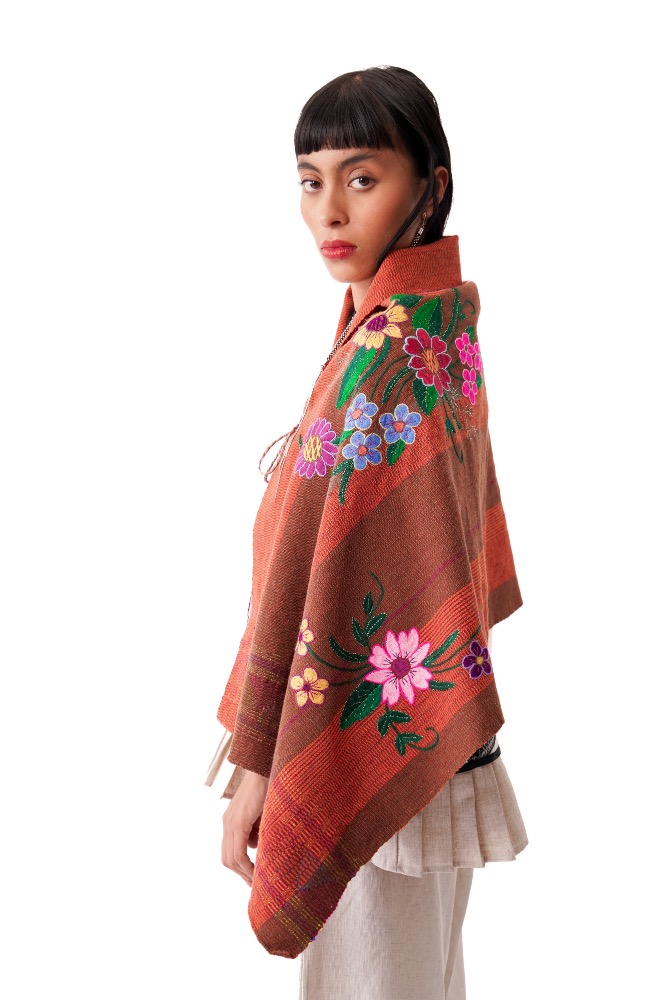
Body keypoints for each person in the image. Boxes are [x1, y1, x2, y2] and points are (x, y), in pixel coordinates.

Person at [205, 66, 528, 998]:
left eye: (362, 177)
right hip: (426, 742)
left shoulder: (388, 357)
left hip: (369, 755)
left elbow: (333, 577)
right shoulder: (435, 325)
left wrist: (264, 765)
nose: (330, 211)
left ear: (430, 185)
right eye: (311, 181)